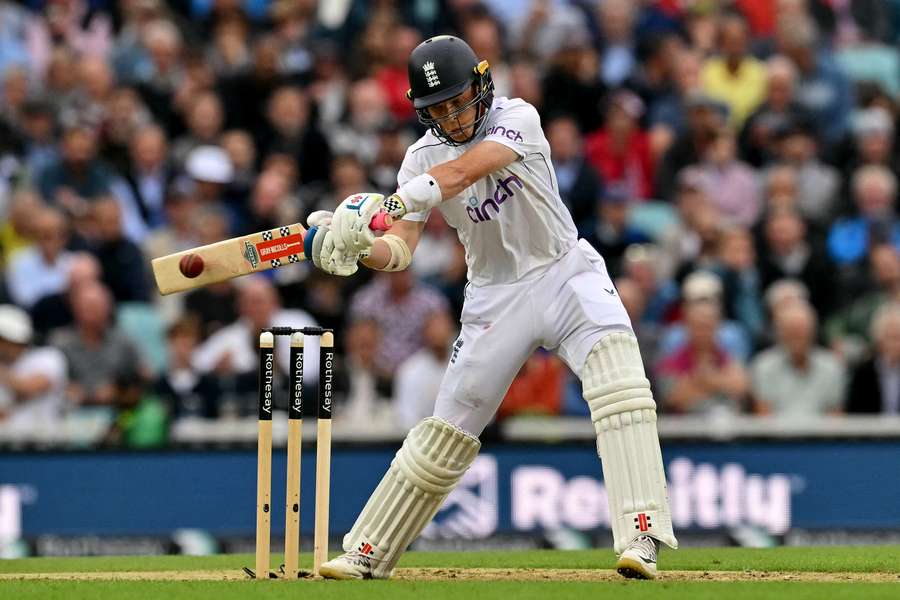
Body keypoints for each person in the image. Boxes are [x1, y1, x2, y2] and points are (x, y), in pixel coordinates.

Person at [302, 35, 677, 580]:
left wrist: (387, 204)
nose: (453, 117)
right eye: (439, 108)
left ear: (482, 85)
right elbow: (400, 251)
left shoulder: (517, 117)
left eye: (460, 100)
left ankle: (641, 535)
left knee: (620, 384)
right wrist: (361, 250)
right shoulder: (418, 158)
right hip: (494, 296)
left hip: (564, 271)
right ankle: (368, 553)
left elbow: (464, 172)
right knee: (447, 427)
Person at [750, 301, 845, 416]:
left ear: (813, 332)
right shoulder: (763, 365)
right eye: (791, 332)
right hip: (777, 433)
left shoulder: (832, 366)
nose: (797, 339)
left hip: (820, 434)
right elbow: (763, 417)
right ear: (780, 334)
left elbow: (835, 418)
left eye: (802, 331)